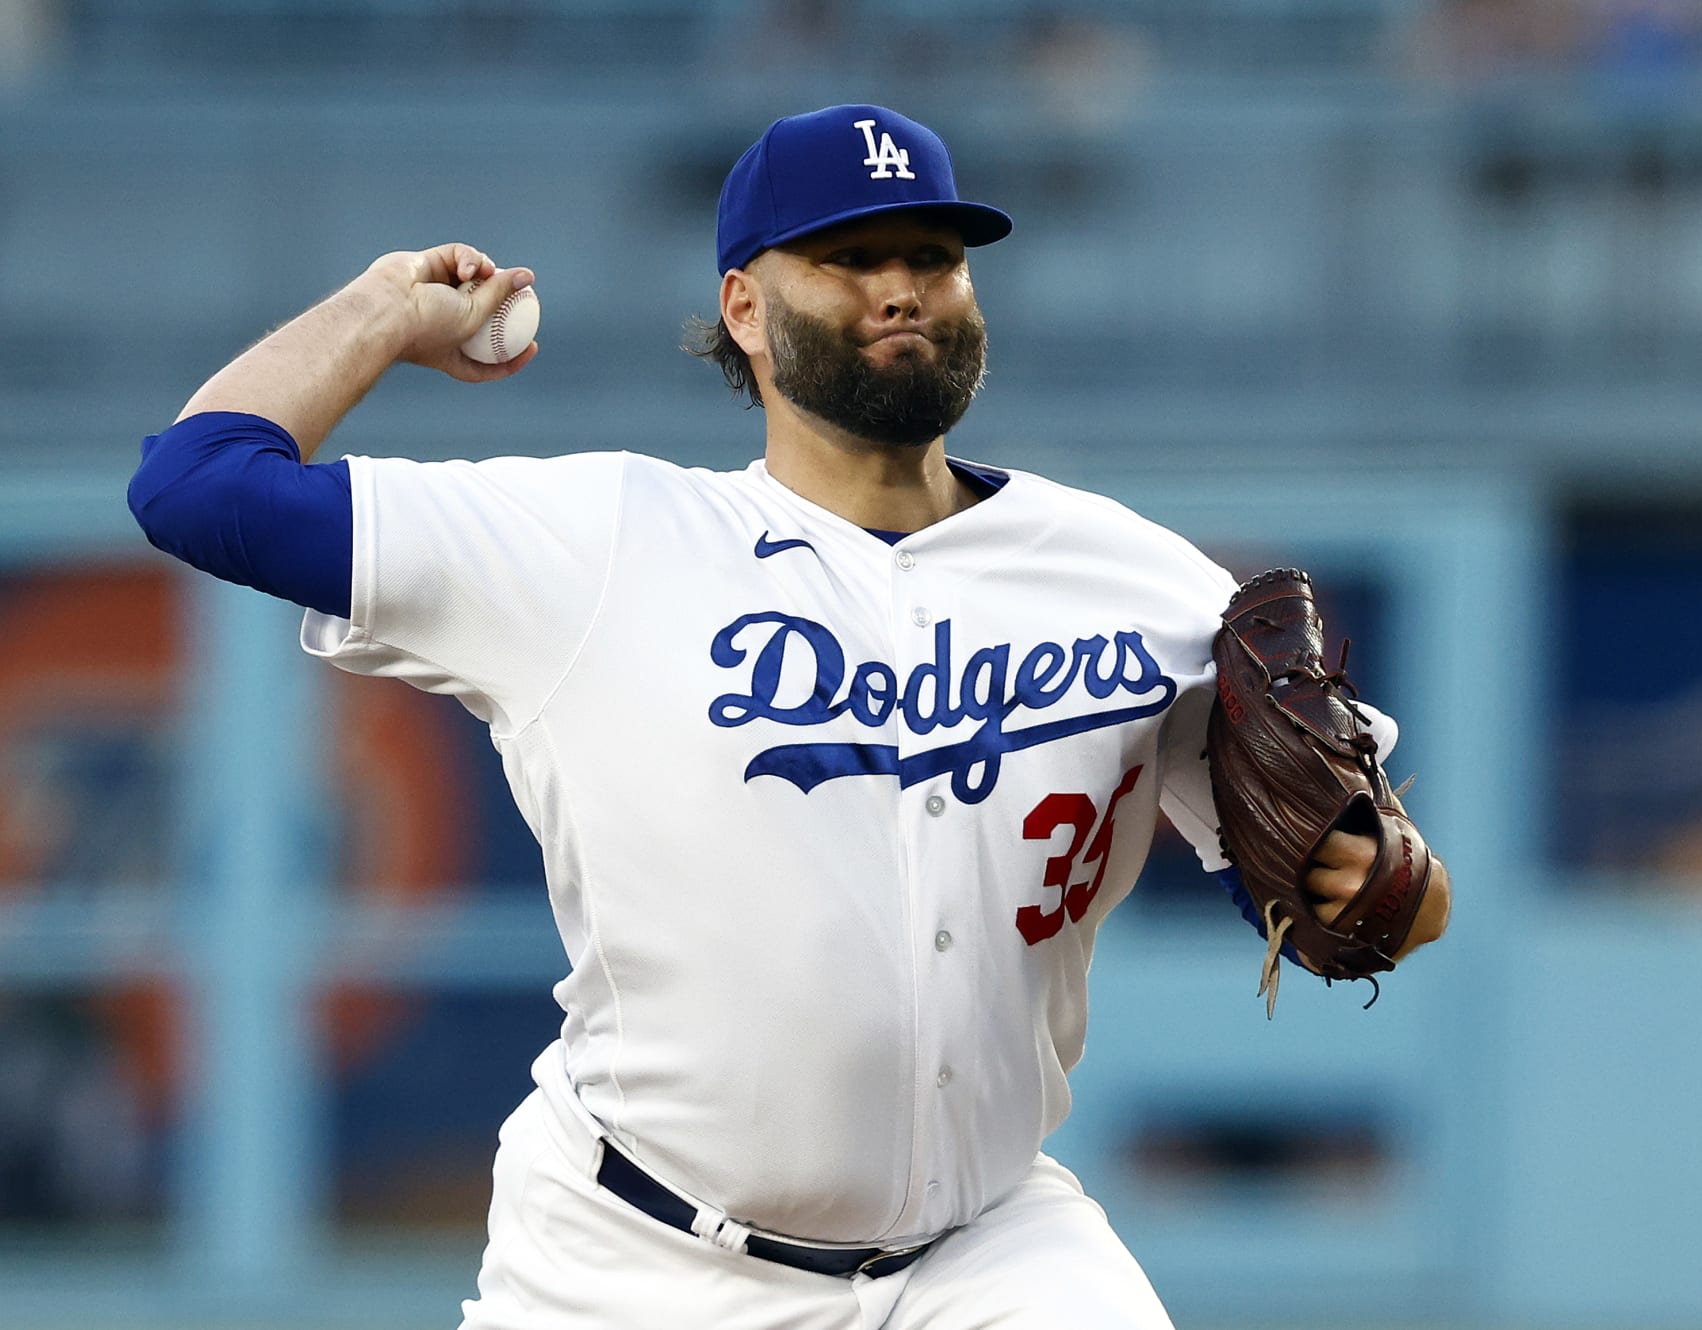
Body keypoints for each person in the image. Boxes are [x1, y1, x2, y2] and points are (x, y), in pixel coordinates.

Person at [128, 104, 1450, 1330]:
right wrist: (379, 310)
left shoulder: (1132, 576)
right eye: (850, 256)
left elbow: (1366, 881)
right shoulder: (594, 545)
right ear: (744, 307)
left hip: (979, 1254)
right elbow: (197, 485)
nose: (901, 287)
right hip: (631, 1261)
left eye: (935, 255)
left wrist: (1368, 879)